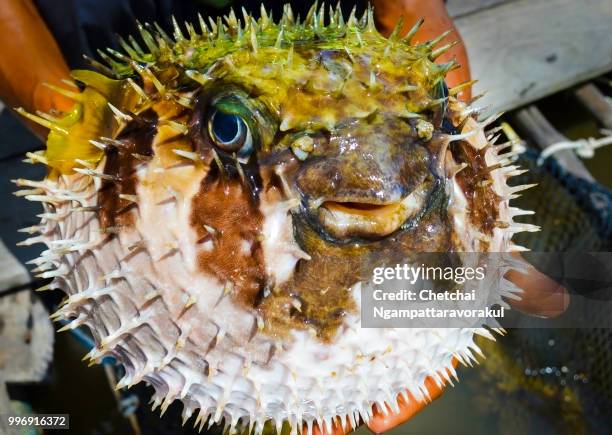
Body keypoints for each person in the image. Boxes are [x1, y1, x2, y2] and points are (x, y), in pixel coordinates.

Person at [0, 0, 568, 433]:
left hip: (353, 68)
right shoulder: (140, 142)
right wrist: (67, 118)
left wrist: (473, 214)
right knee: (172, 414)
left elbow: (414, 13)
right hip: (111, 34)